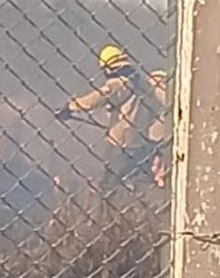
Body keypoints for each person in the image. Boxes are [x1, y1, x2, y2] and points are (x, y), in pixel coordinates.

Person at [56, 45, 168, 190]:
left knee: (108, 182)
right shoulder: (142, 80)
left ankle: (107, 207)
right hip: (141, 141)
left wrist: (71, 107)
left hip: (121, 142)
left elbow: (97, 98)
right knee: (141, 177)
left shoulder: (120, 83)